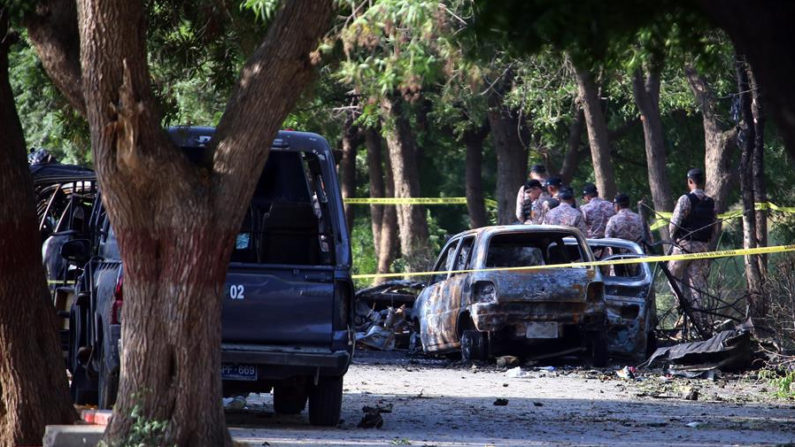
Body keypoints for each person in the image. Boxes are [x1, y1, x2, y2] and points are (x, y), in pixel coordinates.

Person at [668, 168, 718, 334]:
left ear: (690, 181)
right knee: (697, 286)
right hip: (702, 249)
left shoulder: (685, 199)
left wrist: (672, 237)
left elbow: (674, 224)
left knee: (672, 276)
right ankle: (698, 322)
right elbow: (714, 226)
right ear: (702, 181)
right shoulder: (711, 202)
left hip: (683, 247)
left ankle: (682, 310)